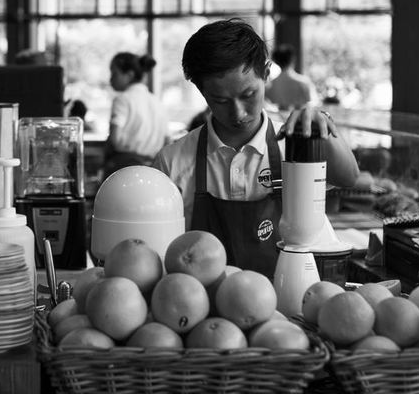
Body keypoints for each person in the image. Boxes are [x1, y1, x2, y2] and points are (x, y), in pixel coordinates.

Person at [153, 19, 359, 278]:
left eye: (249, 95)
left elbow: (348, 176)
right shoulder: (172, 163)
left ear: (266, 72)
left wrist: (320, 126)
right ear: (201, 91)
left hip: (289, 303)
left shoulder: (293, 143)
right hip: (204, 310)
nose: (238, 113)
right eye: (221, 100)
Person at [103, 52, 169, 179]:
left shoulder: (122, 99)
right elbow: (167, 140)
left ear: (129, 75)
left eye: (114, 73)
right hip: (153, 170)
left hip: (124, 169)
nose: (110, 79)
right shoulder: (157, 102)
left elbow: (115, 139)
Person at [265, 43, 317, 110]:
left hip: (276, 119)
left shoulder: (270, 86)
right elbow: (311, 106)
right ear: (293, 59)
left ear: (276, 61)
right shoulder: (303, 83)